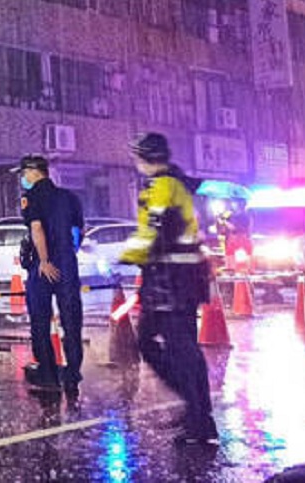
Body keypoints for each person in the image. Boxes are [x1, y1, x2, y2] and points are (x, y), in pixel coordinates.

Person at [119, 132, 219, 446]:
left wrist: (126, 257)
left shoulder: (162, 187)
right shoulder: (178, 183)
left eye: (137, 157)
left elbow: (152, 231)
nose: (135, 163)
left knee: (160, 346)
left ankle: (198, 414)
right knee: (182, 349)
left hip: (169, 282)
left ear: (146, 158)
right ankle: (197, 413)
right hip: (182, 280)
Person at [12, 154, 84, 395]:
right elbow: (78, 232)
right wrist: (66, 254)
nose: (23, 178)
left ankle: (48, 374)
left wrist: (44, 260)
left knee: (41, 321)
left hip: (42, 268)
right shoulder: (70, 197)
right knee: (71, 320)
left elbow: (36, 228)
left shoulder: (31, 197)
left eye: (24, 173)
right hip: (67, 264)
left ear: (34, 171)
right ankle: (73, 373)